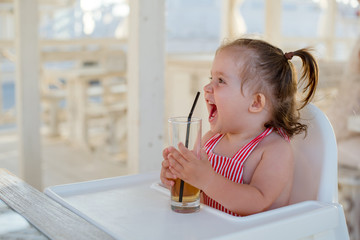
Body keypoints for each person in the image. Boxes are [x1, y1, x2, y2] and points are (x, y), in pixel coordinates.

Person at [161, 38, 319, 216]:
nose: (207, 87)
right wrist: (179, 176)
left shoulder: (274, 150)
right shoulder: (210, 140)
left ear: (256, 102)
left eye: (221, 80)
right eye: (211, 78)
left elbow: (258, 201)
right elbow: (200, 194)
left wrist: (206, 180)